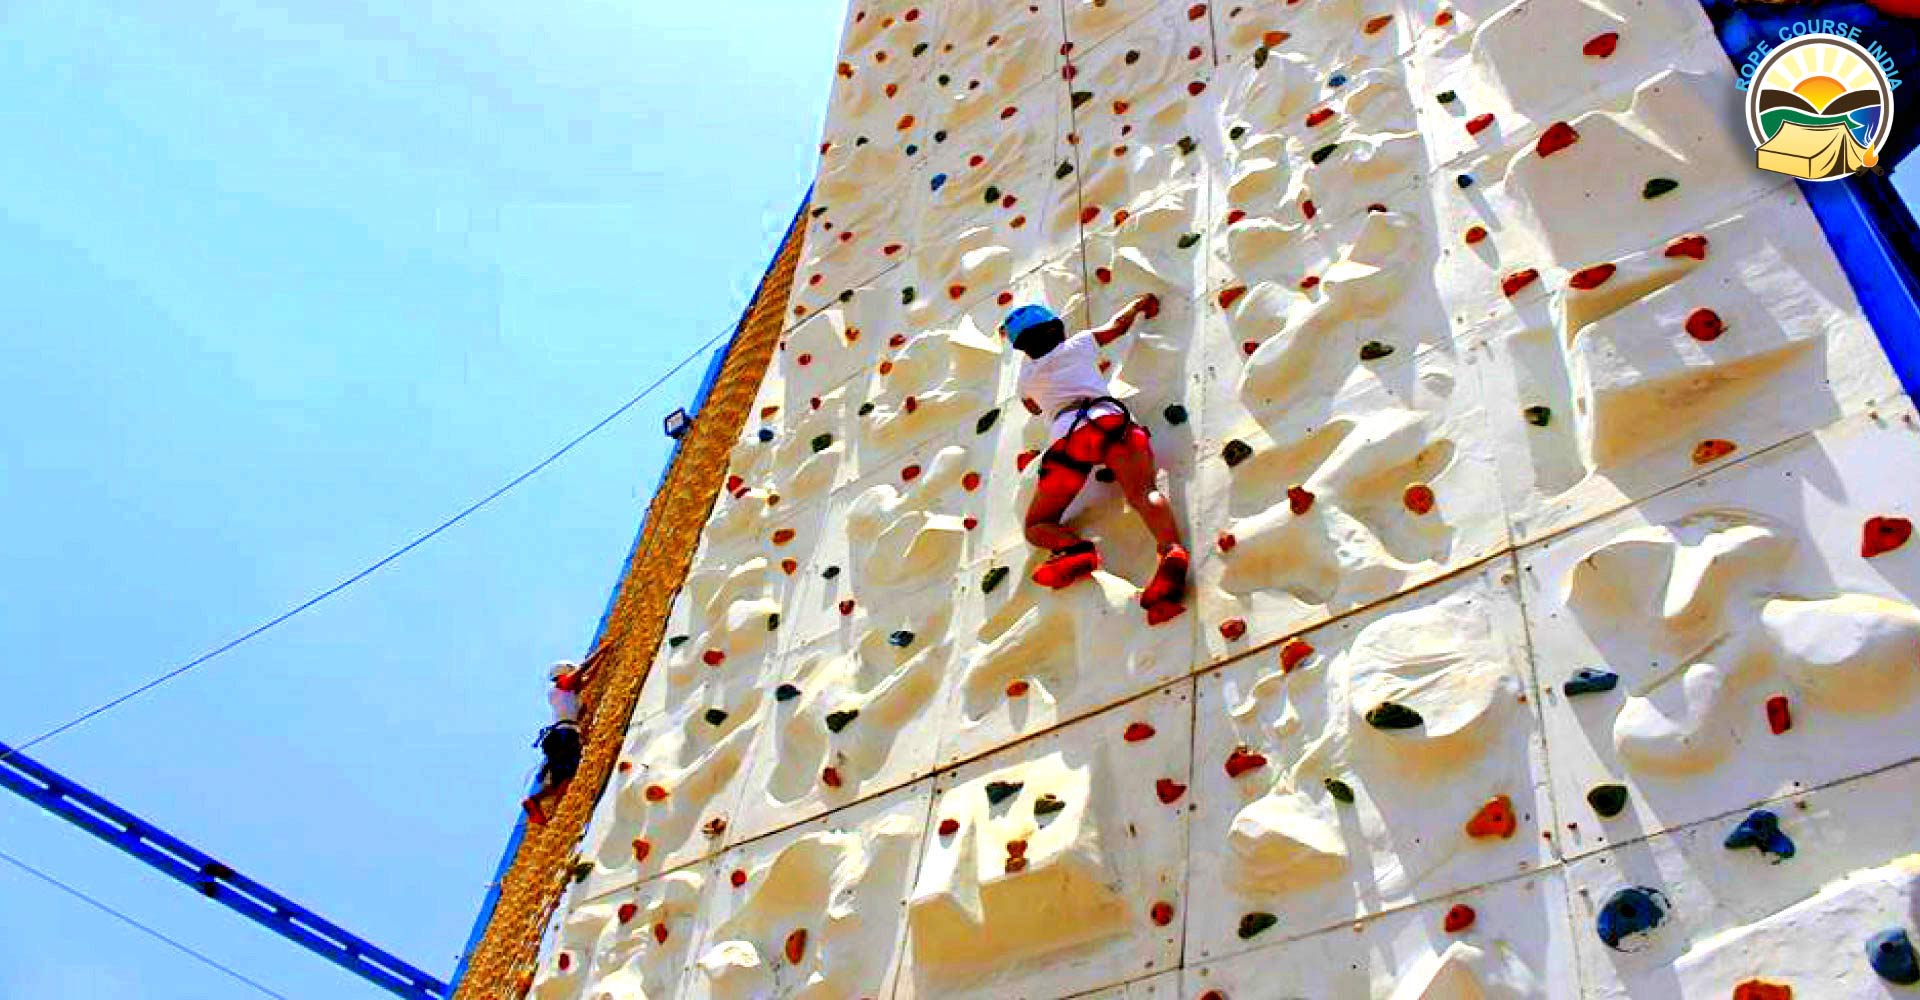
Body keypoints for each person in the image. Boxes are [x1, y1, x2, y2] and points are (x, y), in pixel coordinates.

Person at [1004, 294, 1190, 623]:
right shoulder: (1078, 345)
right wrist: (1138, 304)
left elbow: (1032, 407)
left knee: (1036, 525)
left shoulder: (1027, 379)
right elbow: (1117, 327)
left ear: (1023, 349)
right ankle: (1169, 549)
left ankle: (1074, 549)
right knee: (1143, 492)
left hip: (1069, 436)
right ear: (1057, 328)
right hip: (1112, 419)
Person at [521, 648, 606, 826]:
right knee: (567, 772)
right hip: (563, 735)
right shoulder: (559, 689)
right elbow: (581, 672)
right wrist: (600, 652)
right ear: (564, 674)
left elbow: (586, 679)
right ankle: (540, 802)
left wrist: (602, 659)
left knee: (565, 778)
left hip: (559, 737)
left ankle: (539, 802)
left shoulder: (567, 696)